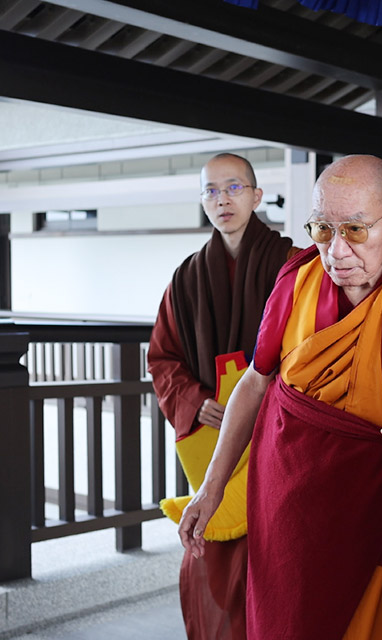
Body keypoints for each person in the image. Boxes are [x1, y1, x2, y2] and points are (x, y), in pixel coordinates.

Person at [178, 155, 382, 639]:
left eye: (355, 229)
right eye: (322, 229)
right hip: (292, 515)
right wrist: (212, 486)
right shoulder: (296, 280)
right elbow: (257, 380)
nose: (337, 251)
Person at [147, 152, 295, 639]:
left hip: (278, 434)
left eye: (234, 187)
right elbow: (162, 358)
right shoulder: (187, 277)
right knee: (213, 554)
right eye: (211, 190)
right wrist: (193, 401)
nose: (222, 199)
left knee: (275, 556)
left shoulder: (292, 263)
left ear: (256, 196)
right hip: (214, 436)